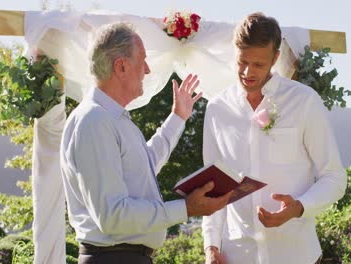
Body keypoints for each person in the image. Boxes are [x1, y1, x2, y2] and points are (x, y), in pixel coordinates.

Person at [60, 22, 233, 264]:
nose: (148, 69)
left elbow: (145, 165)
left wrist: (177, 118)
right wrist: (186, 208)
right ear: (121, 66)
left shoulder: (112, 119)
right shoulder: (94, 121)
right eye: (143, 60)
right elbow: (112, 216)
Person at [202, 13, 347, 264]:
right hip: (237, 255)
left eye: (258, 64)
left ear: (275, 58)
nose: (247, 72)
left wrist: (300, 207)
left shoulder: (304, 101)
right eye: (242, 62)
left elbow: (335, 177)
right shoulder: (217, 108)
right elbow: (212, 186)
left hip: (296, 254)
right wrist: (211, 245)